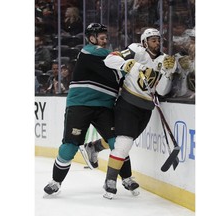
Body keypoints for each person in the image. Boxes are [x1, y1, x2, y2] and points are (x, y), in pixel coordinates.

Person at [43, 23, 139, 196]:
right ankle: (55, 181)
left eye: (105, 38)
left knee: (117, 143)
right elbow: (118, 68)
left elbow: (120, 74)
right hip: (80, 104)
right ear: (91, 38)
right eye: (101, 38)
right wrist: (132, 58)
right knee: (69, 147)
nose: (104, 41)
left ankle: (126, 178)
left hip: (105, 106)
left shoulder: (110, 57)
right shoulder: (89, 52)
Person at [100, 28, 177, 199]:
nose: (156, 43)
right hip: (127, 103)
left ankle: (96, 146)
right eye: (153, 40)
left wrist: (167, 73)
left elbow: (162, 91)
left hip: (146, 109)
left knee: (124, 142)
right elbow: (109, 59)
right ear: (144, 42)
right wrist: (126, 64)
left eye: (158, 40)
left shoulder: (164, 60)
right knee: (124, 143)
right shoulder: (136, 50)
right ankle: (110, 180)